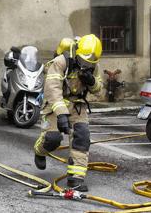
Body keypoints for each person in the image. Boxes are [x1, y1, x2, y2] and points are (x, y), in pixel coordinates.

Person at [34, 34, 103, 192]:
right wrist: (61, 114)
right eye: (84, 61)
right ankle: (39, 151)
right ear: (77, 53)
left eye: (89, 62)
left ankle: (76, 178)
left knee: (82, 137)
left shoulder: (94, 65)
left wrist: (92, 82)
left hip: (77, 105)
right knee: (53, 139)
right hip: (55, 104)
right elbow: (52, 89)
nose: (86, 64)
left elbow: (99, 90)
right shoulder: (61, 62)